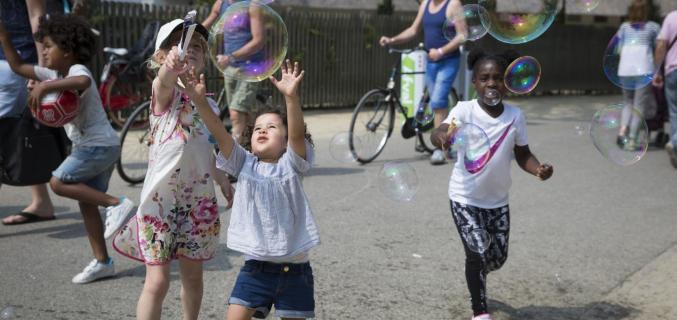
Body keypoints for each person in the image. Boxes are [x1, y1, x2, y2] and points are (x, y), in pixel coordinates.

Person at [110, 19, 233, 320]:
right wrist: (170, 69)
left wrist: (222, 179)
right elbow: (163, 81)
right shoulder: (163, 96)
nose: (190, 51)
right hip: (159, 205)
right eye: (181, 46)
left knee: (193, 278)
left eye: (196, 48)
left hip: (198, 205)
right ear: (162, 56)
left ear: (204, 60)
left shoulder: (209, 106)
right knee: (158, 281)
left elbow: (209, 148)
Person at [0, 14, 135, 284]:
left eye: (49, 46)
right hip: (99, 146)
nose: (44, 52)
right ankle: (102, 262)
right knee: (86, 203)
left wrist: (45, 87)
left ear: (68, 50)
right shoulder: (54, 74)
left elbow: (82, 84)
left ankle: (118, 204)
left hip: (96, 146)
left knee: (58, 182)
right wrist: (4, 36)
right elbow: (17, 66)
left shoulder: (76, 71)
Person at [181, 59, 319, 320]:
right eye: (257, 128)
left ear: (287, 139)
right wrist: (199, 102)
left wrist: (291, 97)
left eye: (272, 127)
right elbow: (220, 133)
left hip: (296, 272)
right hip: (255, 269)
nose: (262, 130)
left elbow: (298, 136)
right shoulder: (244, 163)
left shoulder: (292, 164)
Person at [430, 49, 553, 320]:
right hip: (465, 198)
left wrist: (538, 169)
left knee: (496, 259)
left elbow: (522, 154)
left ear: (507, 82)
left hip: (498, 201)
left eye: (497, 78)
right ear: (474, 83)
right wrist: (443, 136)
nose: (491, 83)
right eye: (484, 78)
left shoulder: (515, 116)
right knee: (476, 253)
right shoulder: (464, 110)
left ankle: (481, 270)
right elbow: (439, 133)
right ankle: (480, 311)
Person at [379, 0, 466, 165]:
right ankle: (447, 138)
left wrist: (441, 51)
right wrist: (392, 40)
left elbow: (462, 35)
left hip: (448, 61)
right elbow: (413, 30)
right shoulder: (426, 4)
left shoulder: (454, 4)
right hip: (431, 62)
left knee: (439, 100)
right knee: (434, 102)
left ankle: (440, 149)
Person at [0, 0, 58, 226]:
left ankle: (42, 201)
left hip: (18, 62)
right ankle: (41, 201)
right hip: (7, 63)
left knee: (5, 135)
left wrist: (41, 69)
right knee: (15, 133)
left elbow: (37, 17)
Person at [202, 0, 264, 142]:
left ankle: (236, 156)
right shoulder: (220, 4)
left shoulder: (252, 5)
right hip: (230, 67)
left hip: (250, 67)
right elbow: (205, 26)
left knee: (236, 113)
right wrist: (187, 33)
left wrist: (231, 56)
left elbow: (258, 40)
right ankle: (255, 144)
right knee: (242, 114)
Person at [615, 0, 661, 151]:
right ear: (646, 11)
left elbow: (618, 49)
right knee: (639, 106)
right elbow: (658, 49)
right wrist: (658, 71)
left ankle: (622, 132)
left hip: (625, 70)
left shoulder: (624, 27)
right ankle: (632, 139)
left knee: (628, 102)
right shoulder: (653, 27)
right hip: (644, 69)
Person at [653, 9, 677, 168]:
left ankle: (676, 143)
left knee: (675, 112)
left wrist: (656, 71)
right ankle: (675, 141)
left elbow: (661, 45)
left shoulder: (671, 17)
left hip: (672, 71)